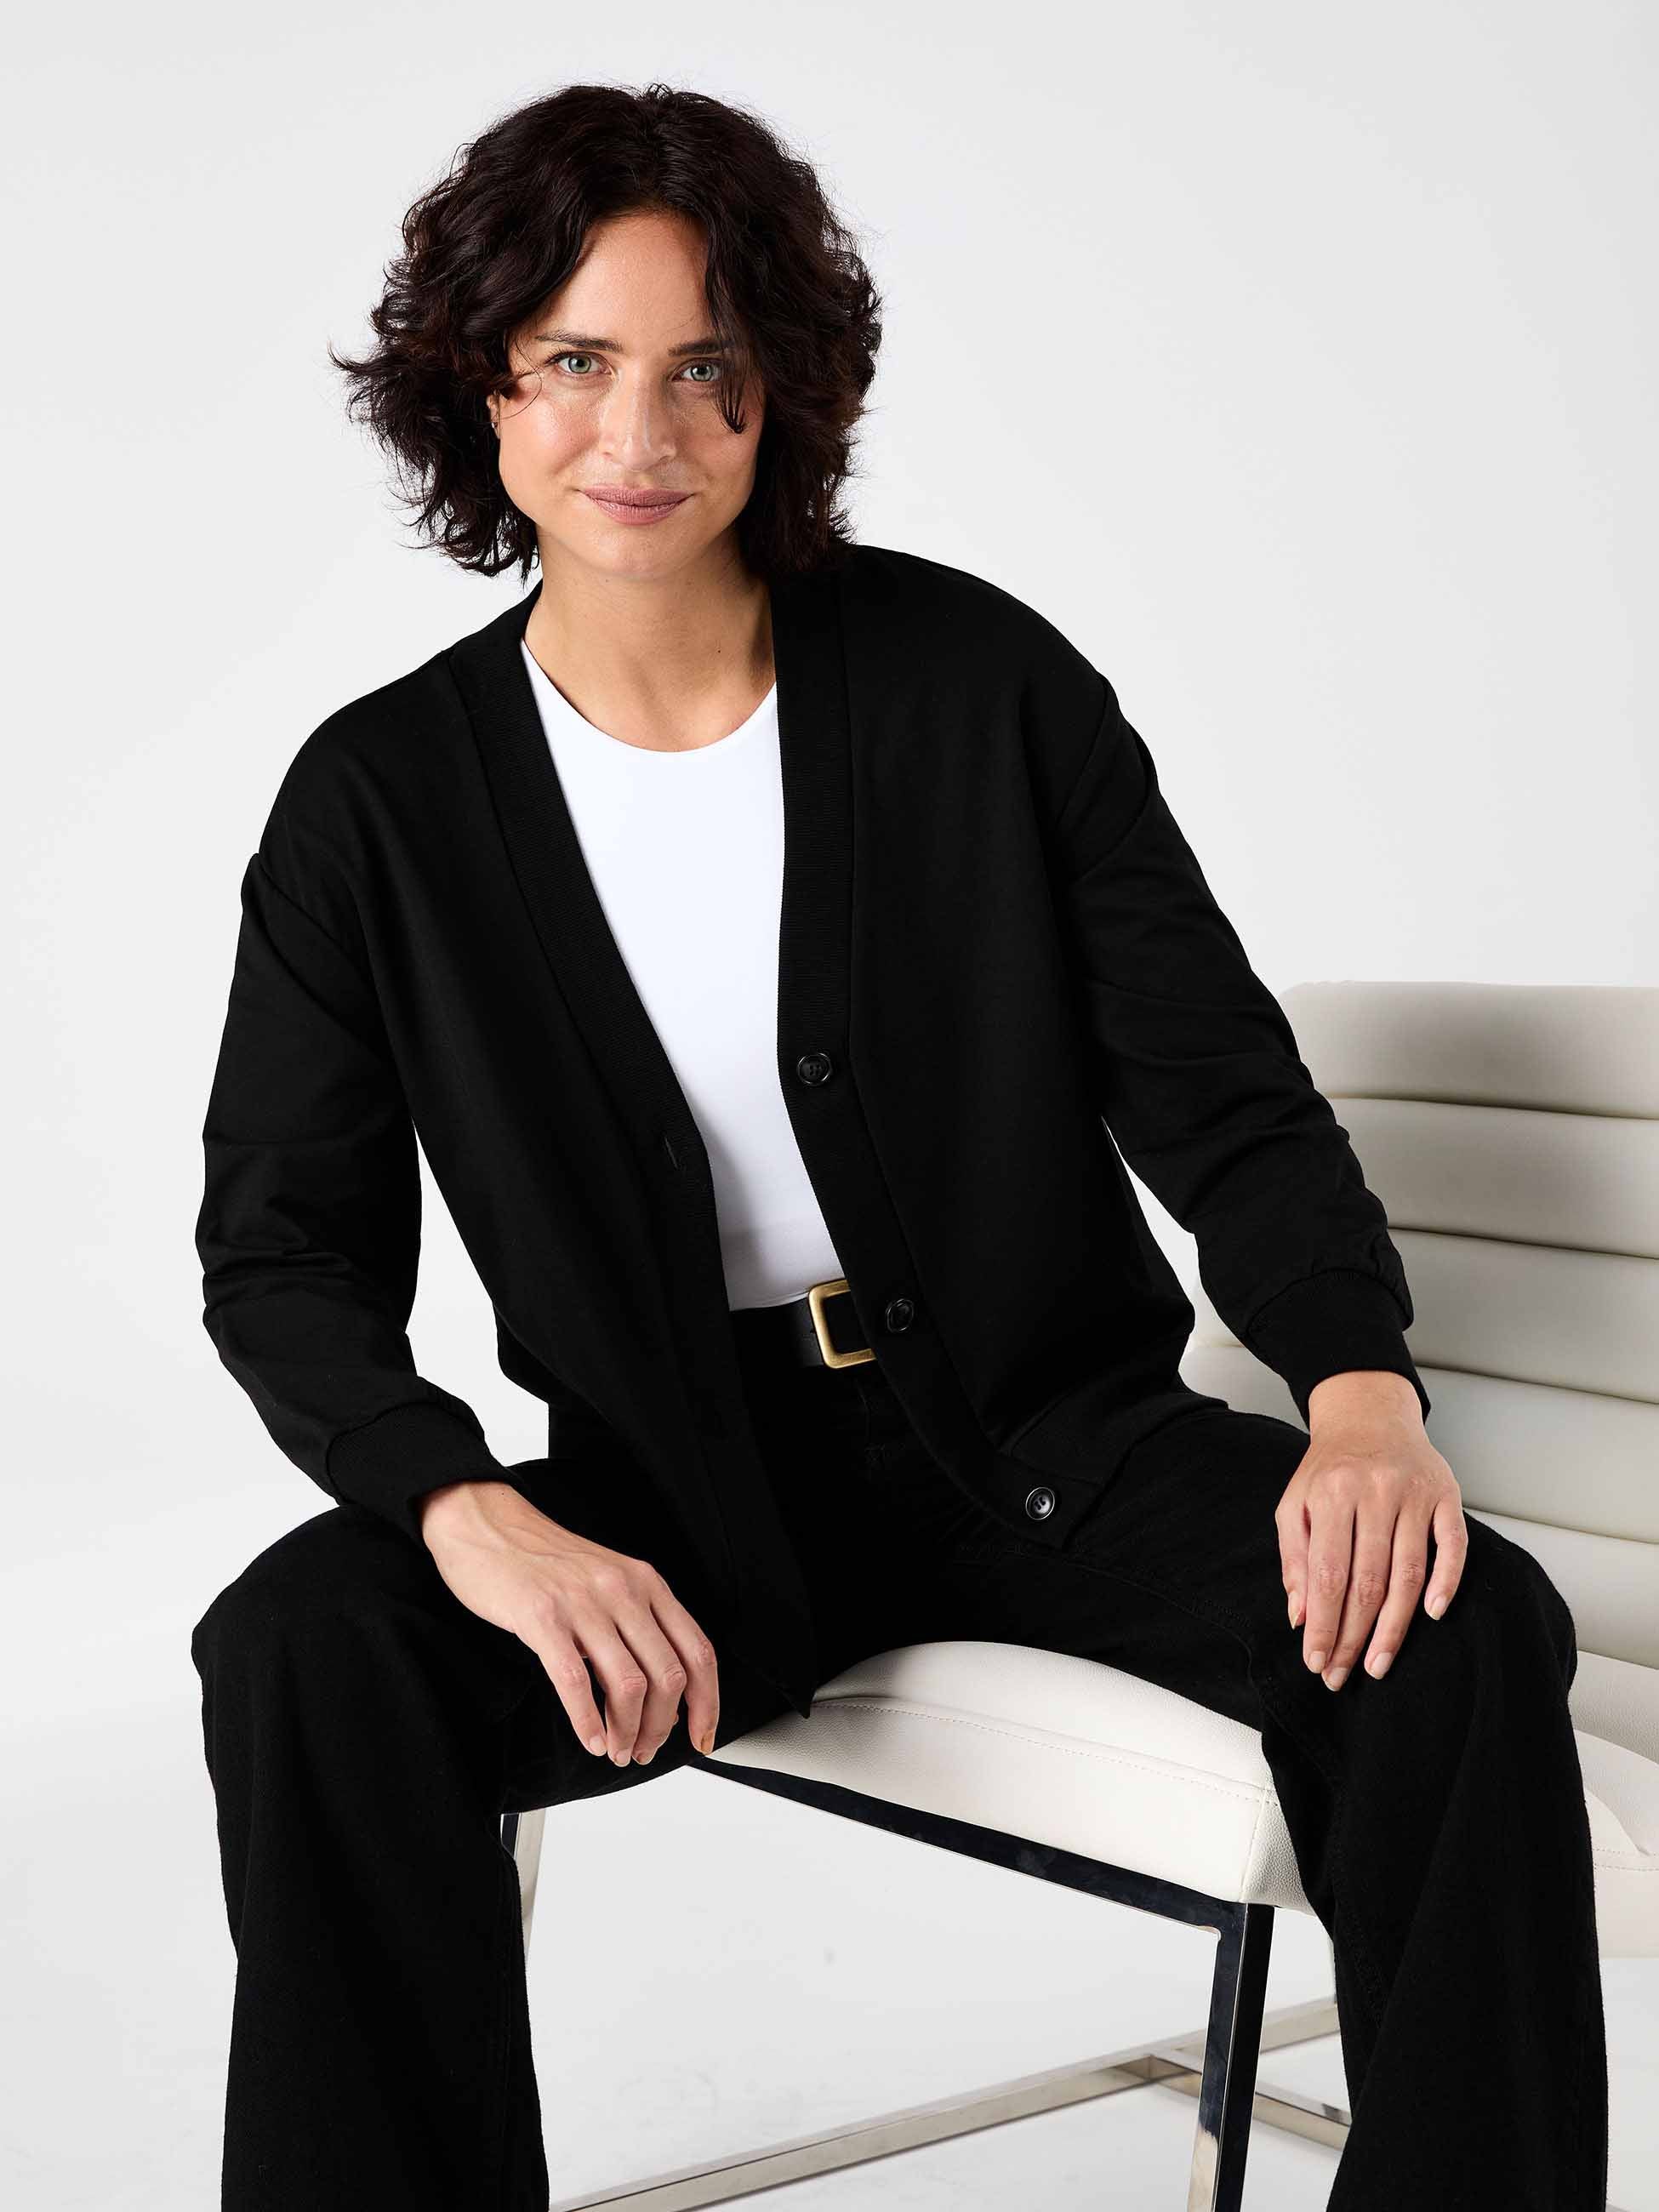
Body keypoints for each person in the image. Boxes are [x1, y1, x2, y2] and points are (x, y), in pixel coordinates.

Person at [187, 80, 1607, 2212]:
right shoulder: (376, 806)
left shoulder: (980, 689)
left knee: (1459, 1623)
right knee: (307, 1647)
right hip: (672, 1490)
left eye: (702, 366)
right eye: (572, 361)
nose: (637, 431)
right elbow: (283, 1252)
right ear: (479, 388)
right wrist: (468, 1510)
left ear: (779, 394)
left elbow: (1225, 1095)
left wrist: (1358, 1390)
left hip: (1051, 1446)